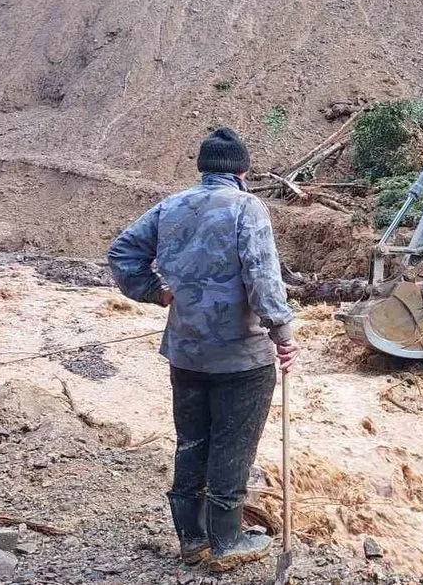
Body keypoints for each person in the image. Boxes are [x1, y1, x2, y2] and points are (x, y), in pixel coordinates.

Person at [107, 128, 298, 572]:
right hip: (241, 358)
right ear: (242, 170)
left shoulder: (169, 207)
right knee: (233, 445)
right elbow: (263, 279)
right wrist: (284, 335)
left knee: (191, 442)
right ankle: (226, 541)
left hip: (185, 352)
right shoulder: (248, 208)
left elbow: (121, 254)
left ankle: (192, 539)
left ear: (203, 168)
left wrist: (156, 291)